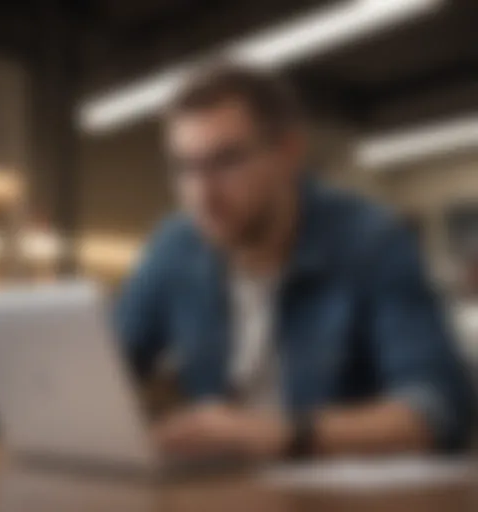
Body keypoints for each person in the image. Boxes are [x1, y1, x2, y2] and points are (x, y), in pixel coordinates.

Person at [116, 63, 475, 460]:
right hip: (226, 492)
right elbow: (109, 366)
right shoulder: (175, 247)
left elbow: (438, 410)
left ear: (288, 152)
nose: (202, 194)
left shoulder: (372, 241)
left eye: (226, 161)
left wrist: (286, 434)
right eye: (185, 167)